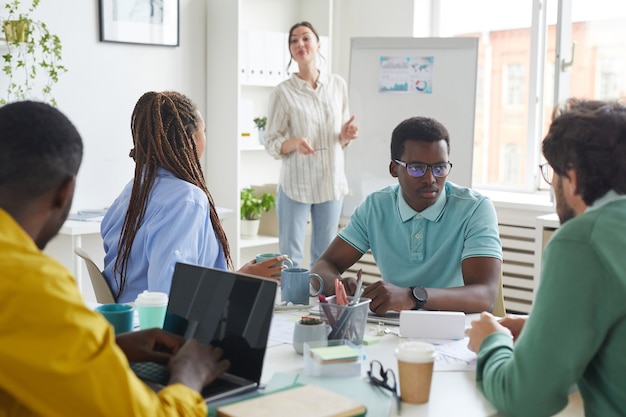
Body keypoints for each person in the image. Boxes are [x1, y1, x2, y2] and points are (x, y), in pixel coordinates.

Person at [0, 100, 229, 416]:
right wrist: (189, 377)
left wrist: (113, 348)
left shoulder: (131, 189)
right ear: (64, 192)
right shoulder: (28, 284)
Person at [467, 98, 626, 416]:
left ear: (572, 178)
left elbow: (523, 398)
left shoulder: (583, 240)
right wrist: (543, 328)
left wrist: (491, 342)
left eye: (550, 172)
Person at [102, 91, 287, 303]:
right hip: (162, 327)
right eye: (204, 131)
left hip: (127, 322)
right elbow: (170, 293)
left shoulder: (134, 189)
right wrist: (242, 279)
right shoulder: (187, 201)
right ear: (190, 140)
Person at [311, 116, 502, 315]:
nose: (430, 179)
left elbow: (485, 295)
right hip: (395, 327)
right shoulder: (376, 206)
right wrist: (339, 287)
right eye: (417, 168)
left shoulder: (475, 208)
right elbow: (324, 265)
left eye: (440, 167)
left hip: (458, 329)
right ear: (394, 169)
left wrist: (412, 297)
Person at [264, 21, 359, 268]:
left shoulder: (337, 85)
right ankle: (291, 306)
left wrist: (345, 135)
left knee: (325, 257)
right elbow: (271, 141)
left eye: (305, 38)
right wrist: (293, 142)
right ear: (290, 50)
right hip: (297, 183)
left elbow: (341, 136)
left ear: (318, 44)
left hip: (330, 181)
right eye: (293, 41)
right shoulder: (282, 93)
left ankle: (319, 307)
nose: (300, 44)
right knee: (290, 257)